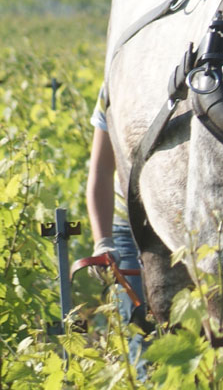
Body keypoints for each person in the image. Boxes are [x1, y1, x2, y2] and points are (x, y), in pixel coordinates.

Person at [83, 101, 147, 371]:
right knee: (141, 329)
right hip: (130, 229)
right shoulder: (112, 88)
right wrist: (103, 242)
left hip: (185, 229)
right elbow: (100, 171)